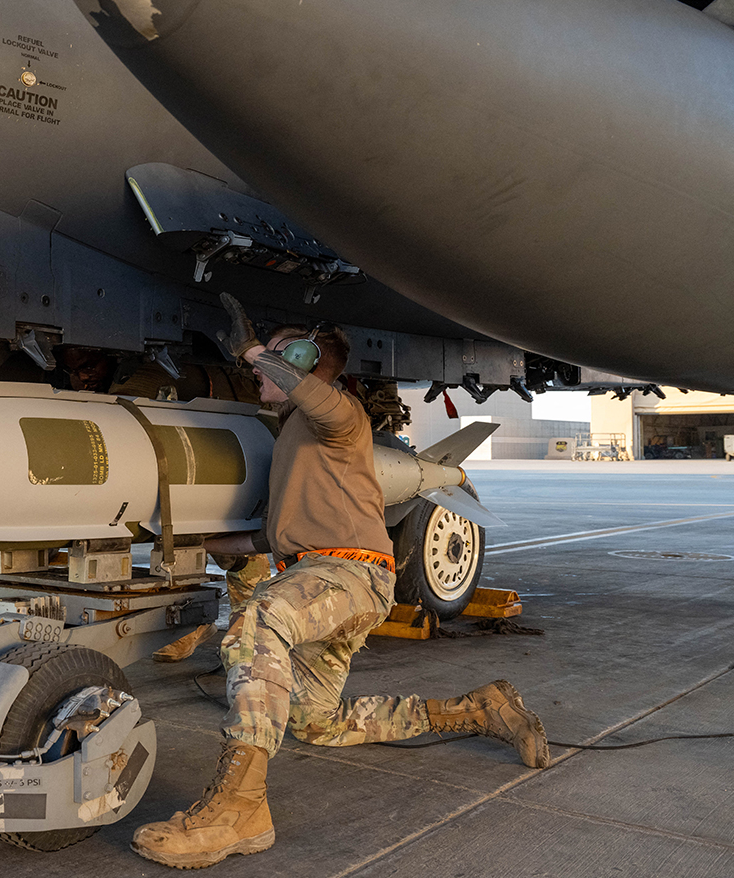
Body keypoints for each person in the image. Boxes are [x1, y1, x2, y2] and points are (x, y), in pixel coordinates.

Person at [129, 294, 550, 869]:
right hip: (323, 575)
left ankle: (238, 810)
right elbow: (268, 539)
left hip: (347, 573)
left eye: (274, 361)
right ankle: (479, 709)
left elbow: (318, 400)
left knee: (259, 623)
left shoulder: (339, 415)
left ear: (305, 363)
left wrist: (252, 346)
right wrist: (186, 544)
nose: (256, 372)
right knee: (315, 723)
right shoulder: (295, 441)